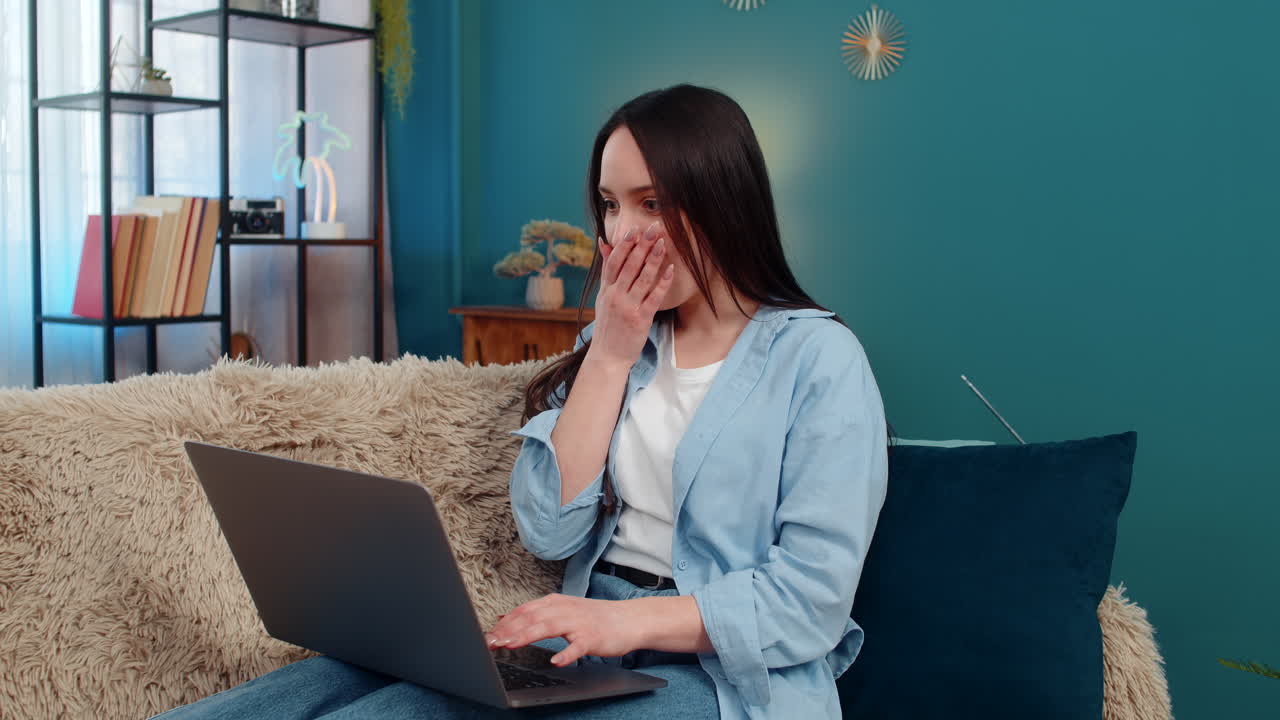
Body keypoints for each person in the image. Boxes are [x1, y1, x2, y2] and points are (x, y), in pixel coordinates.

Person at [151, 84, 888, 720]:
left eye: (652, 203)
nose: (621, 234)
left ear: (724, 204)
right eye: (609, 205)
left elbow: (812, 603)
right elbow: (551, 529)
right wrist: (612, 350)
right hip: (581, 639)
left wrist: (617, 622)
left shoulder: (819, 362)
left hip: (724, 680)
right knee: (323, 682)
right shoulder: (623, 342)